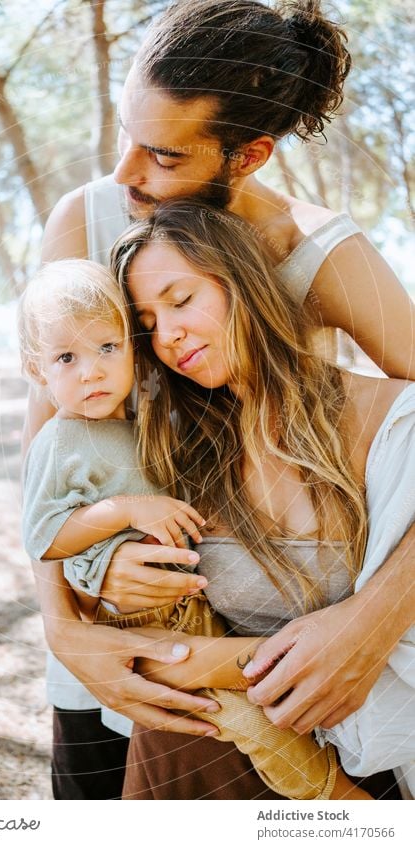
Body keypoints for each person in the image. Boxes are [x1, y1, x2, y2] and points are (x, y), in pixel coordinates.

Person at [27, 0, 415, 798]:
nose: (127, 172)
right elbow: (45, 438)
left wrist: (373, 617)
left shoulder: (319, 253)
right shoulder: (89, 218)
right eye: (124, 133)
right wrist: (65, 628)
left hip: (266, 651)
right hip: (112, 629)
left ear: (248, 155)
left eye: (165, 155)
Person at [18, 257, 375, 800]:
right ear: (37, 371)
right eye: (66, 357)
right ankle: (342, 801)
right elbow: (43, 537)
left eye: (107, 349)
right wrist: (125, 513)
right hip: (140, 617)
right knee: (253, 718)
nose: (90, 371)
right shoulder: (60, 441)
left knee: (270, 692)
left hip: (190, 606)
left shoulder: (140, 420)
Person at [104, 197, 414, 799]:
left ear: (242, 282)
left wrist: (203, 664)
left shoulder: (389, 422)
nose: (168, 336)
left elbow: (400, 639)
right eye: (148, 323)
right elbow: (144, 649)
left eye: (181, 300)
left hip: (366, 766)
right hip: (224, 748)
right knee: (172, 741)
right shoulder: (177, 458)